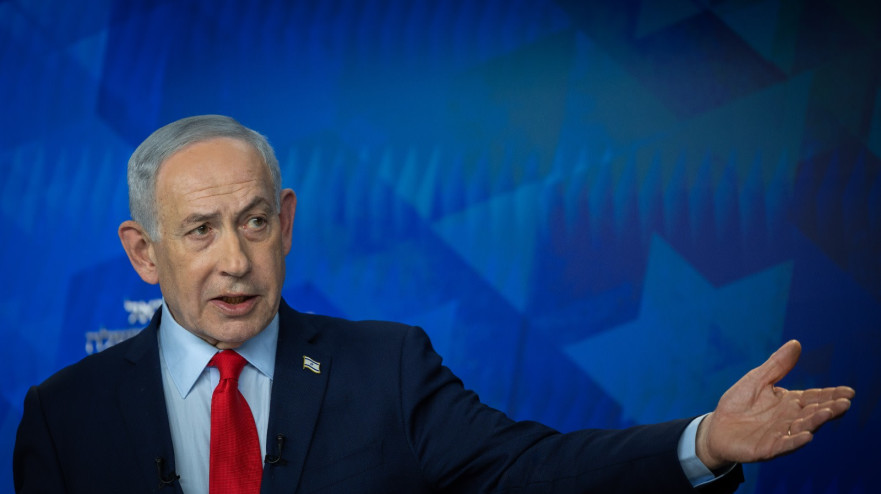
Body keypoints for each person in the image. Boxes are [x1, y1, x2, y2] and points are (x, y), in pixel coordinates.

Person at [13, 115, 854, 494]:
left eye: (255, 221)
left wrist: (704, 442)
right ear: (143, 253)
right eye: (200, 230)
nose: (236, 259)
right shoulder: (63, 416)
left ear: (287, 223)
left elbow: (531, 473)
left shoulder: (387, 367)